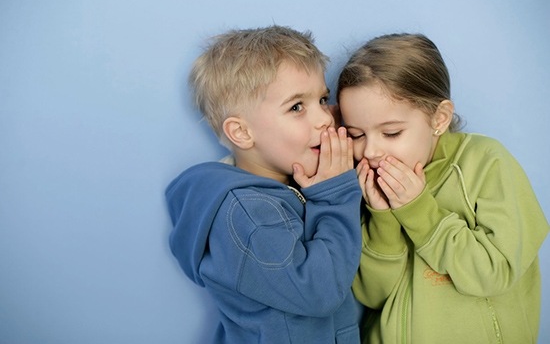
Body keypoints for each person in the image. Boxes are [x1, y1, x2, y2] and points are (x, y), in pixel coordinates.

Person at [336, 33, 549, 344]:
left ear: (439, 118)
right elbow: (372, 296)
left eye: (391, 133)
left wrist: (419, 210)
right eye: (356, 135)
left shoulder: (486, 163)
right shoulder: (368, 185)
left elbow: (493, 272)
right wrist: (382, 220)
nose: (370, 151)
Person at [165, 25, 363, 344]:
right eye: (297, 107)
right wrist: (336, 197)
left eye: (323, 99)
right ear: (242, 133)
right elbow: (318, 293)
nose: (326, 118)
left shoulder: (291, 187)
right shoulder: (248, 215)